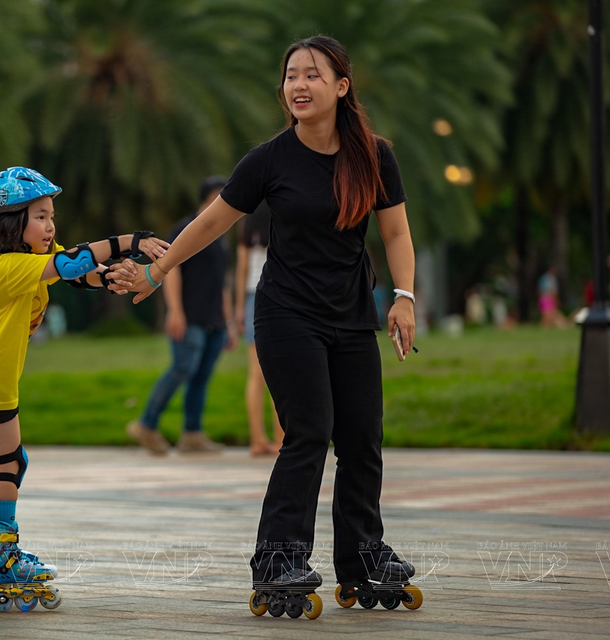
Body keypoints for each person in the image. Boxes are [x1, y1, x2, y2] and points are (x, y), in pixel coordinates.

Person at [112, 35, 419, 608]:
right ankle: (279, 555)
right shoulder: (269, 159)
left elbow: (396, 231)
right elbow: (211, 224)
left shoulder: (374, 155)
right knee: (309, 432)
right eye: (290, 76)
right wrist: (156, 272)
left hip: (352, 316)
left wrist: (403, 297)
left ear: (341, 86)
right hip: (286, 313)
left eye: (312, 75)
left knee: (362, 439)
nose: (298, 86)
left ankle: (362, 554)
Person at [0, 167, 167, 612]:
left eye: (51, 216)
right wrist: (131, 242)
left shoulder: (22, 257)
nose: (51, 226)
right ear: (10, 223)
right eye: (40, 216)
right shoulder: (5, 265)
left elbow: (78, 271)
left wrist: (111, 278)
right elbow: (70, 263)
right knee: (6, 464)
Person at [125, 176, 237, 455]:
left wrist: (229, 323)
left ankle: (192, 434)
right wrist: (175, 311)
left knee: (201, 377)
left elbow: (222, 282)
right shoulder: (187, 228)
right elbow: (170, 267)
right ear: (210, 198)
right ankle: (146, 425)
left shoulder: (221, 236)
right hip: (189, 316)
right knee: (182, 368)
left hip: (215, 320)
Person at [234, 201, 284, 456]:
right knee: (283, 373)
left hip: (254, 297)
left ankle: (257, 440)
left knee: (256, 375)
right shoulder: (284, 211)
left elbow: (241, 268)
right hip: (282, 296)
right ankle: (281, 440)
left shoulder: (248, 221)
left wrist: (239, 308)